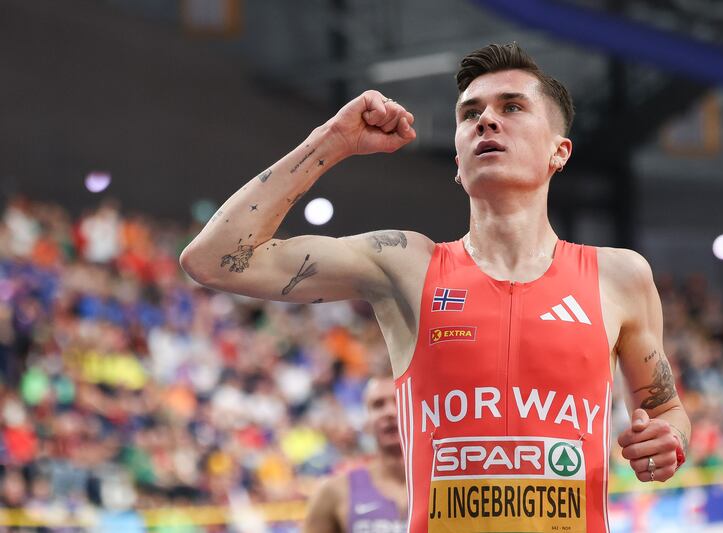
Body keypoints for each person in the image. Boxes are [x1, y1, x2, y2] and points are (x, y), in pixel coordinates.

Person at [181, 42, 691, 532]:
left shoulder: (619, 276)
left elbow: (665, 409)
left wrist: (670, 439)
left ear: (559, 152)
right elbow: (214, 260)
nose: (486, 120)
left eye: (512, 107)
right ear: (458, 163)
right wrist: (331, 140)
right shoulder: (407, 265)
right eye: (470, 114)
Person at [302, 373, 407, 533]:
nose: (390, 412)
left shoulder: (442, 485)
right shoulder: (334, 491)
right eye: (378, 405)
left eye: (399, 401)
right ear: (367, 420)